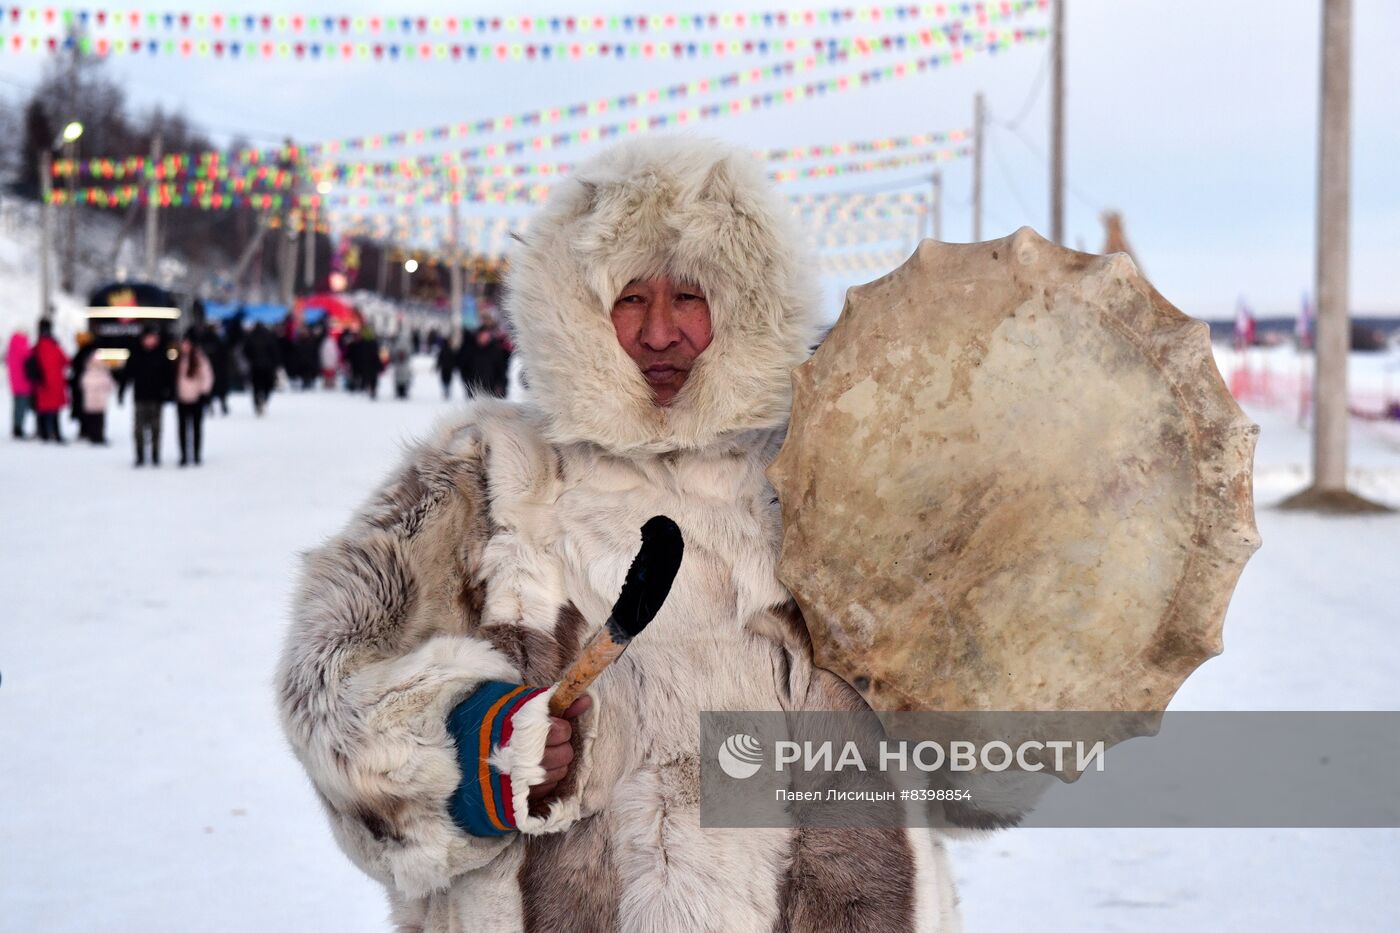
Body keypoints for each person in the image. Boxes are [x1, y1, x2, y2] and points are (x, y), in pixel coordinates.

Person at [277, 138, 981, 931]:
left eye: (691, 295)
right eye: (629, 297)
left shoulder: (824, 472)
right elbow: (330, 682)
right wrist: (478, 753)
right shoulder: (489, 473)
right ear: (574, 308)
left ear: (746, 304)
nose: (658, 332)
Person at [121, 326, 173, 467]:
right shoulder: (136, 354)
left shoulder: (162, 354)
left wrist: (170, 392)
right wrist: (121, 391)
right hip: (140, 397)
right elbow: (127, 374)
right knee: (139, 429)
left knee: (156, 429)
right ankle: (140, 456)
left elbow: (169, 376)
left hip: (157, 398)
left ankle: (155, 455)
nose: (151, 340)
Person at [174, 334, 214, 466]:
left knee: (196, 428)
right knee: (182, 429)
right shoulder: (177, 358)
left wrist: (204, 392)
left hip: (196, 398)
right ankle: (184, 455)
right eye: (183, 343)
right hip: (181, 398)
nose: (184, 346)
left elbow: (207, 376)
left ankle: (196, 454)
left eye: (187, 343)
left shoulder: (199, 358)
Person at [31, 319, 69, 443]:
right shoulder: (55, 345)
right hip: (56, 382)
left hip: (42, 383)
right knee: (55, 411)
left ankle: (44, 434)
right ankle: (57, 434)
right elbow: (66, 361)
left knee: (43, 410)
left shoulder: (37, 347)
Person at [243, 322, 279, 415]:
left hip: (255, 367)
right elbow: (275, 352)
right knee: (268, 386)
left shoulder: (250, 337)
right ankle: (264, 400)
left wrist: (251, 360)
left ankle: (257, 403)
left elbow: (245, 352)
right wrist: (274, 364)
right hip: (268, 367)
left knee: (256, 387)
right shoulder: (269, 337)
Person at [79, 353, 114, 445]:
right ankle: (97, 436)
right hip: (98, 400)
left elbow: (83, 385)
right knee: (98, 420)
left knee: (94, 419)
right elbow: (109, 385)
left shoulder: (88, 373)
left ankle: (95, 436)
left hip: (93, 400)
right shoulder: (103, 373)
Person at [67, 331, 96, 439]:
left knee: (84, 408)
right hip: (81, 385)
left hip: (84, 386)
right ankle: (85, 430)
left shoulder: (86, 352)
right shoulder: (86, 351)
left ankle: (86, 430)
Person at [7, 329, 34, 439]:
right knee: (22, 408)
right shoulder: (24, 348)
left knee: (16, 407)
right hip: (24, 384)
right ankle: (19, 429)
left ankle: (15, 427)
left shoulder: (11, 349)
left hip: (14, 384)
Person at [200, 324, 232, 416]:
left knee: (210, 388)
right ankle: (222, 405)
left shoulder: (203, 339)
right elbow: (225, 354)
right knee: (220, 388)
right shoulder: (219, 339)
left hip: (209, 368)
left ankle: (210, 405)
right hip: (219, 368)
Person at [353, 326, 383, 400]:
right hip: (372, 363)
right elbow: (377, 354)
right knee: (373, 378)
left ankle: (367, 389)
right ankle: (372, 389)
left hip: (366, 363)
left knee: (367, 377)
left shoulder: (362, 342)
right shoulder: (373, 342)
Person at [390, 328, 414, 400]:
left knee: (398, 378)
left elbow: (393, 353)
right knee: (405, 378)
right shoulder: (408, 344)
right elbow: (410, 352)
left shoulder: (396, 343)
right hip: (404, 364)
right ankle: (404, 391)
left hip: (398, 364)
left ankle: (399, 391)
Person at [435, 332, 459, 400]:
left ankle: (447, 391)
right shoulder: (443, 350)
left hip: (449, 368)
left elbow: (455, 359)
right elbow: (439, 359)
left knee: (448, 380)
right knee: (444, 380)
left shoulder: (452, 350)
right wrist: (437, 366)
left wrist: (455, 366)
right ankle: (446, 391)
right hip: (444, 368)